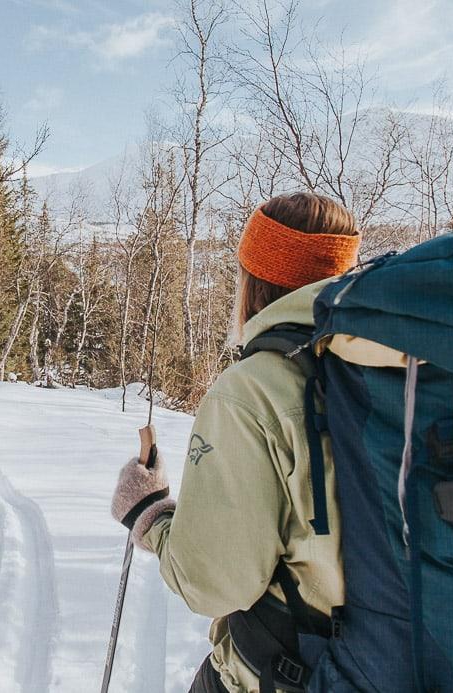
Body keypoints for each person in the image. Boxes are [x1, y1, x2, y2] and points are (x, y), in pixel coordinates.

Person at [111, 192, 362, 693]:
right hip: (392, 661)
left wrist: (150, 516)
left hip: (293, 671)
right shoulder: (388, 367)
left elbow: (214, 582)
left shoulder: (252, 392)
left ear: (256, 281)